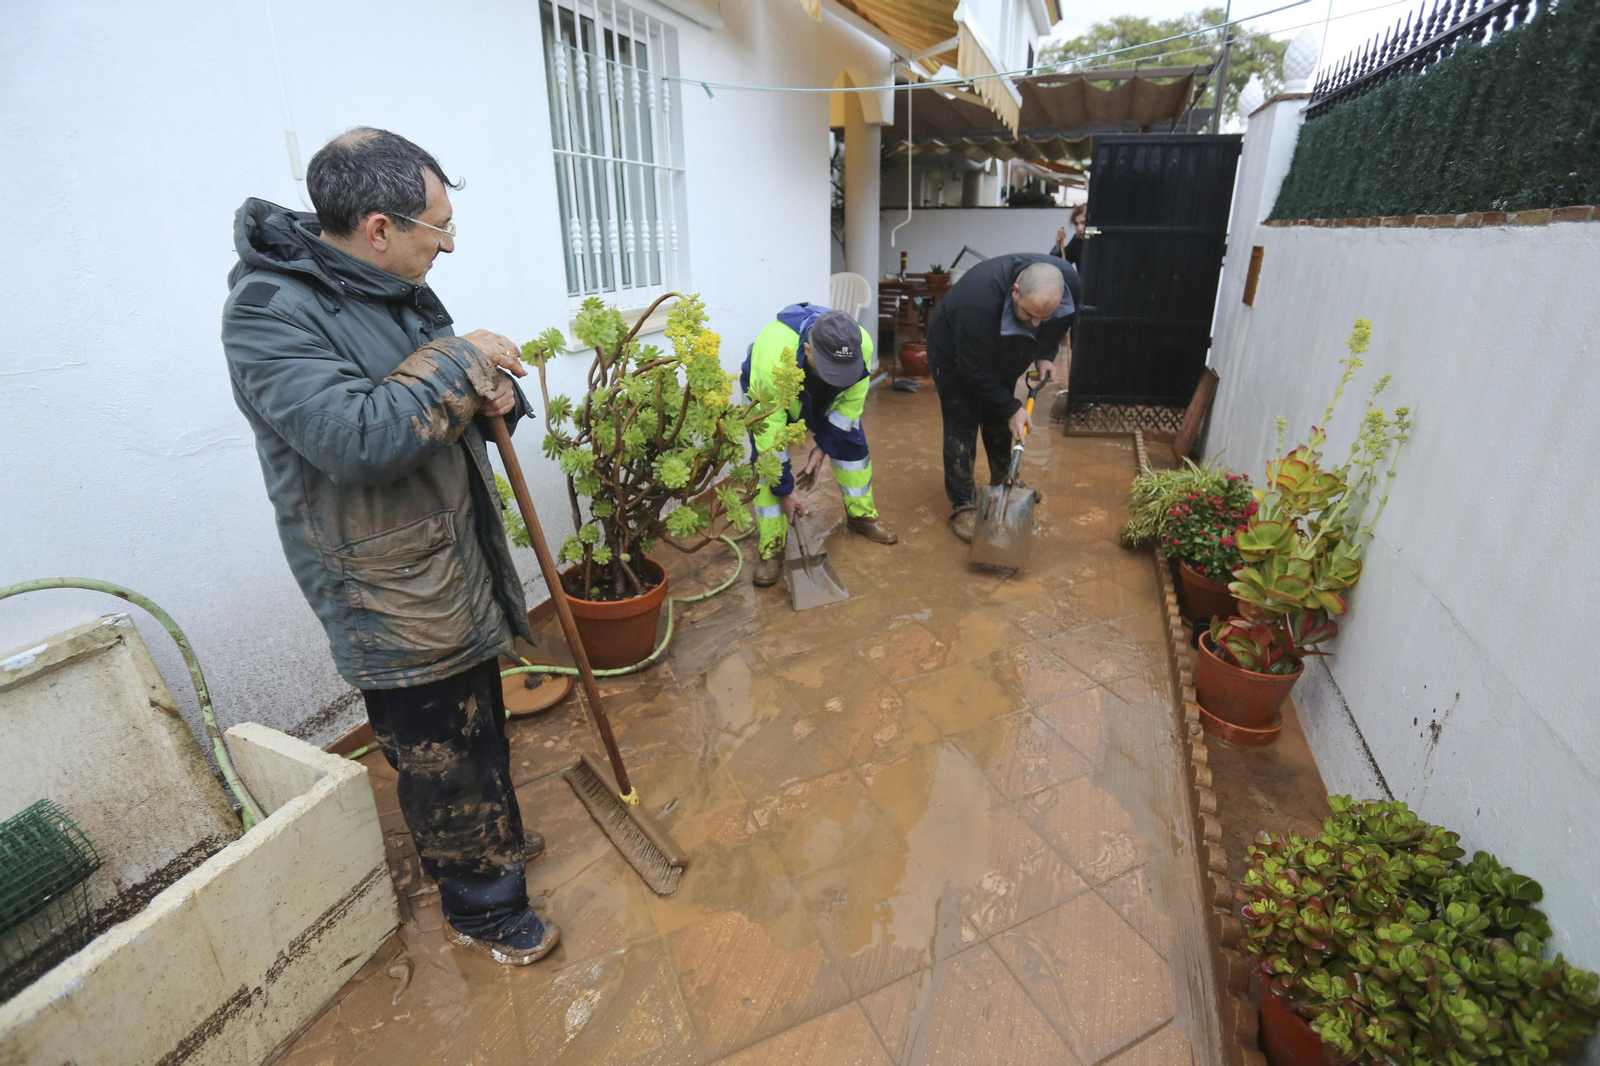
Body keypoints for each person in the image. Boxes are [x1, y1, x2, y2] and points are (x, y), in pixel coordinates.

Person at [221, 128, 561, 966]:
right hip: (388, 584)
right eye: (436, 229)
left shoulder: (392, 288)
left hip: (453, 552)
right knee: (439, 751)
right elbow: (358, 438)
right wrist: (459, 359)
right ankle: (482, 905)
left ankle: (495, 844)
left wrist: (498, 396)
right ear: (378, 227)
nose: (447, 245)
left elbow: (446, 404)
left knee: (479, 721)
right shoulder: (269, 315)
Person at [925, 254, 1082, 543]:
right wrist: (1012, 407)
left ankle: (1002, 480)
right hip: (954, 355)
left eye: (1043, 317)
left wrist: (1045, 353)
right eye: (1029, 314)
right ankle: (963, 504)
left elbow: (1061, 322)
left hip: (1006, 347)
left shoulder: (1069, 283)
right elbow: (973, 372)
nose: (1036, 324)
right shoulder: (976, 302)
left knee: (999, 418)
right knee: (963, 422)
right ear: (1015, 291)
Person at [741, 304, 897, 587]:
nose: (835, 375)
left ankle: (861, 516)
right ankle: (772, 546)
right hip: (777, 397)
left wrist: (822, 447)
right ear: (808, 349)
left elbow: (850, 405)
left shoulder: (860, 343)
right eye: (829, 370)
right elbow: (771, 441)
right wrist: (785, 490)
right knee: (768, 468)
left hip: (830, 399)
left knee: (853, 451)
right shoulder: (773, 355)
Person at [1050, 203, 1088, 271]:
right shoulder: (1077, 241)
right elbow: (1059, 263)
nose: (1079, 228)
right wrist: (1059, 244)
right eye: (1076, 224)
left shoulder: (1103, 239)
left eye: (1083, 222)